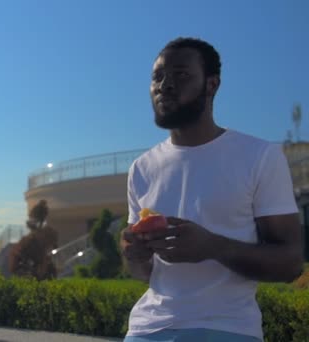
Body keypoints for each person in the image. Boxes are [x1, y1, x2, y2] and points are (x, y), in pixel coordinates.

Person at [120, 37, 304, 342]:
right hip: (147, 329)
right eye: (158, 76)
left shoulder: (259, 156)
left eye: (181, 75)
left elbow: (291, 263)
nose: (164, 85)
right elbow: (144, 274)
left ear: (211, 85)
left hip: (227, 328)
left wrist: (213, 247)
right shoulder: (141, 168)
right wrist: (135, 255)